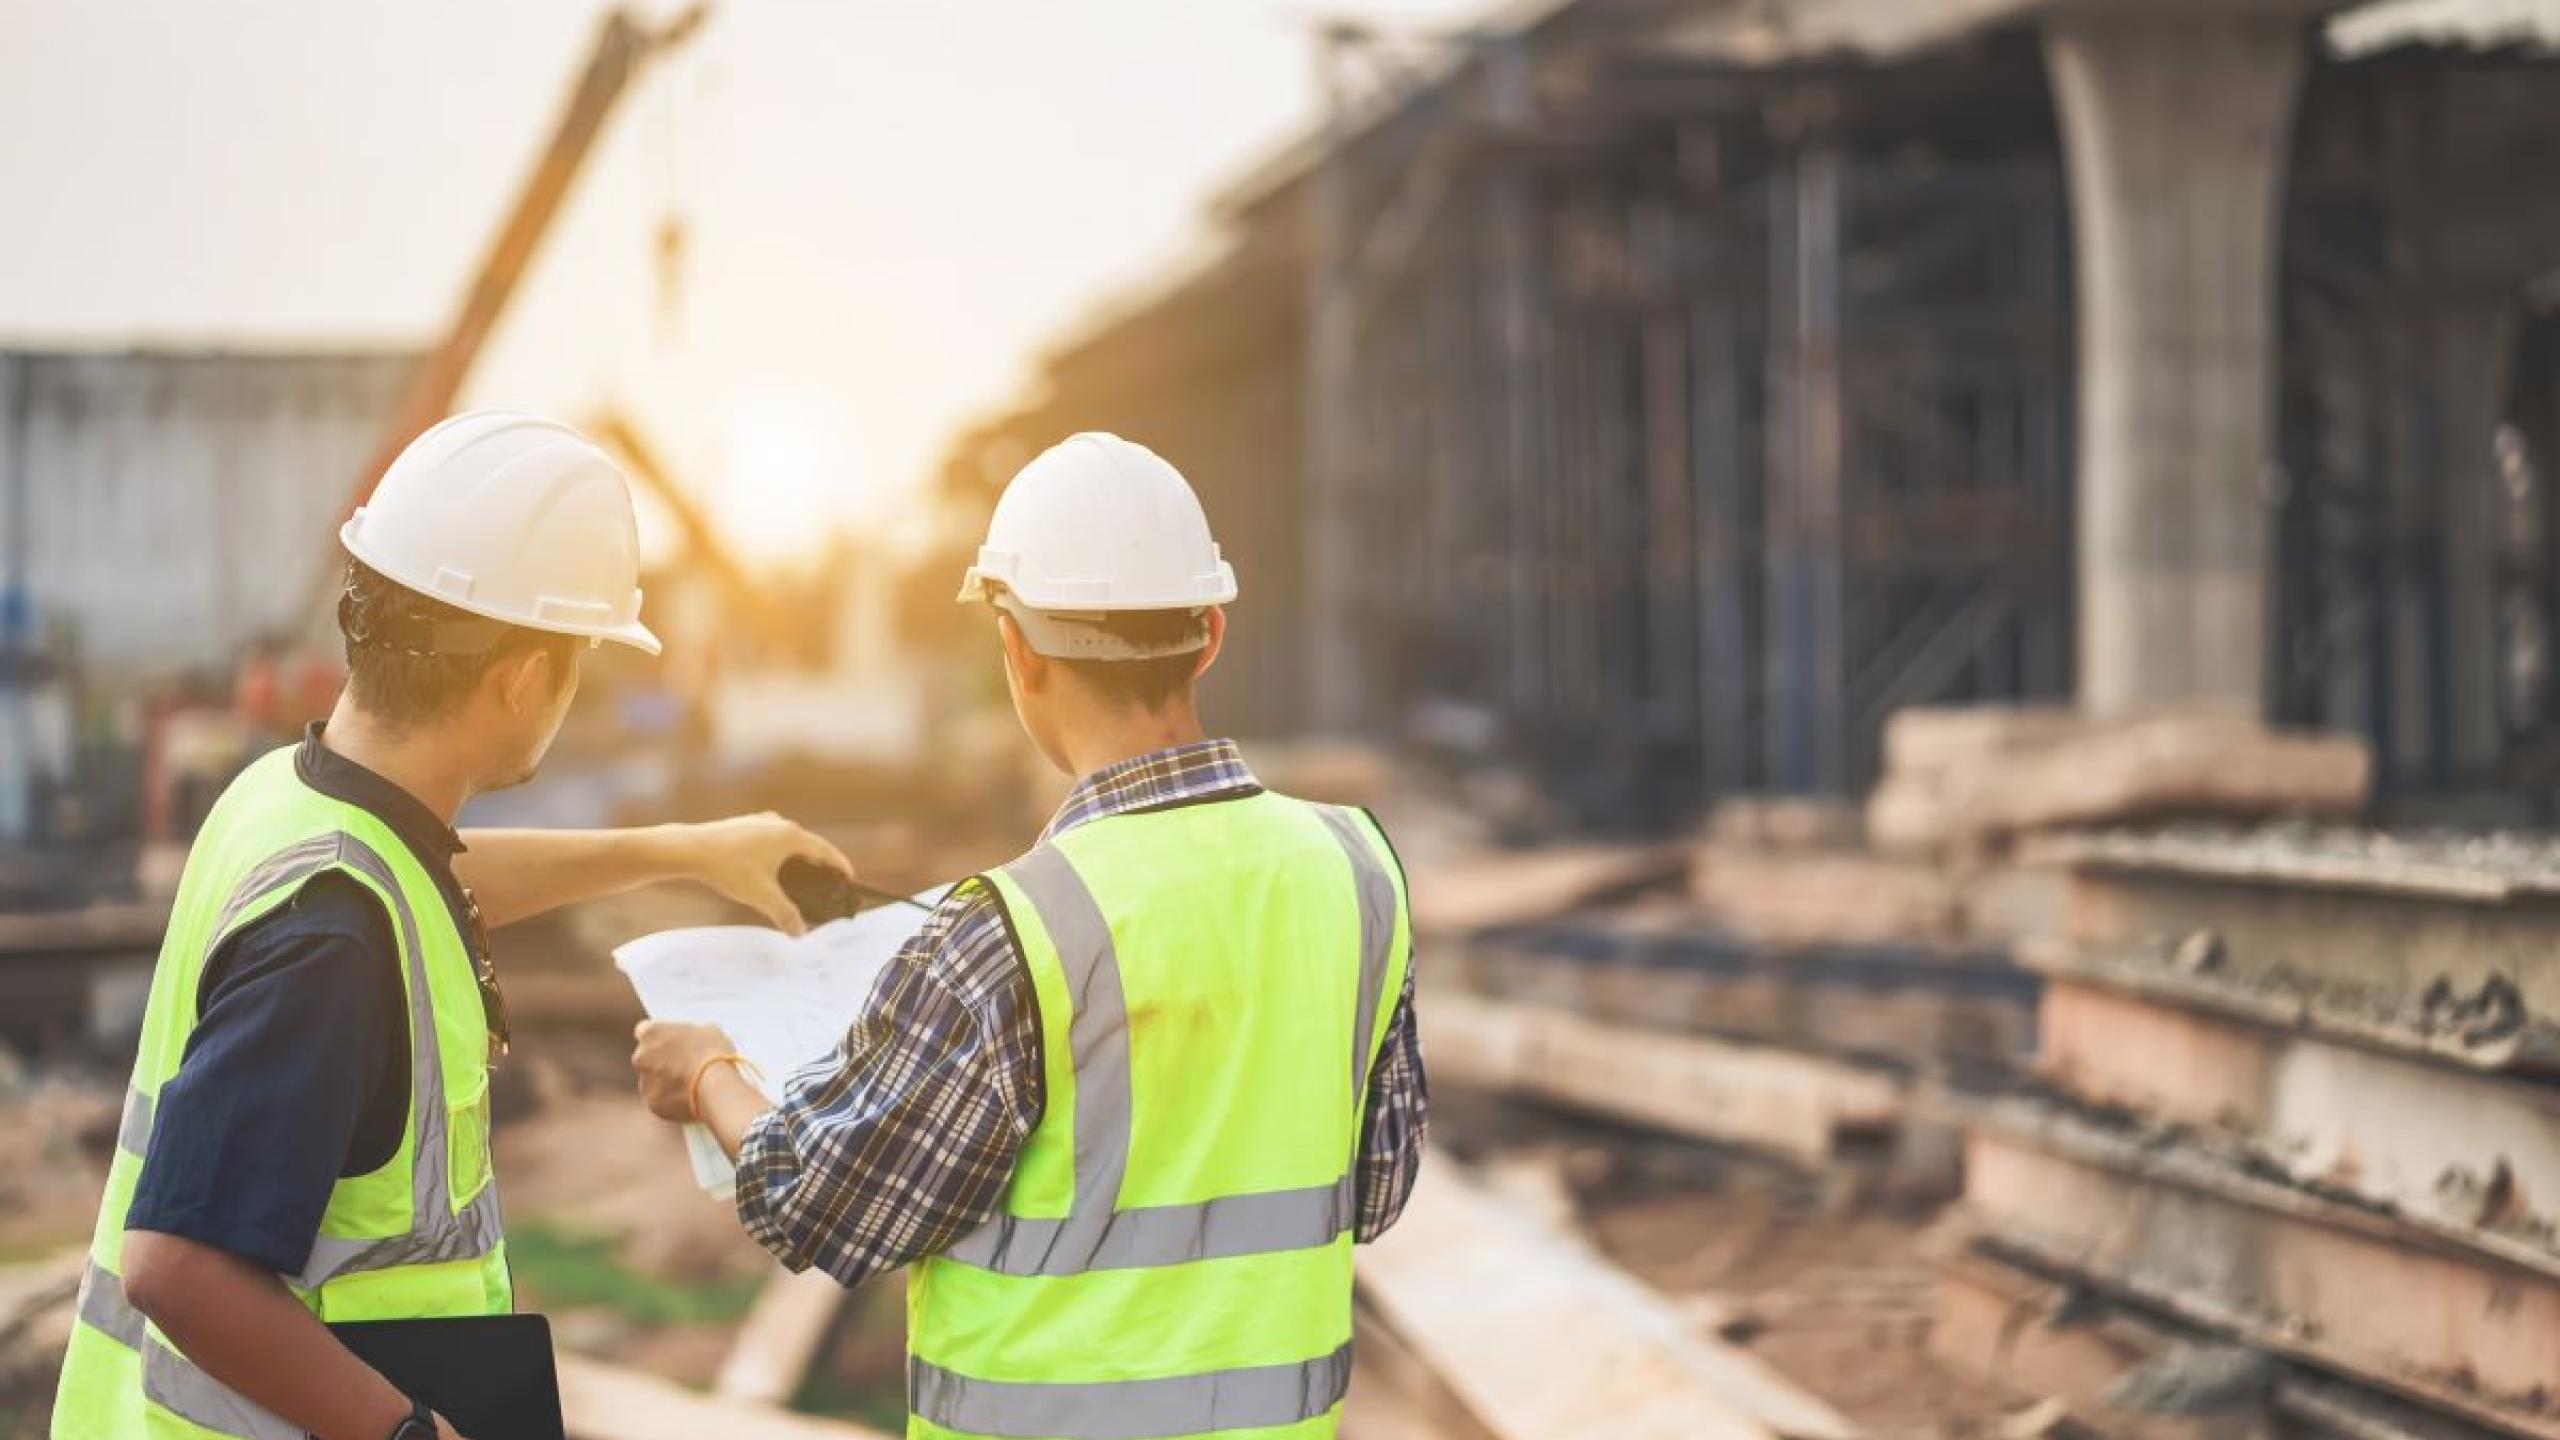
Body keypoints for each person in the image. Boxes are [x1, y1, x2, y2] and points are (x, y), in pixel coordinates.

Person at [52, 411, 856, 1440]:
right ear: (522, 679)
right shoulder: (331, 940)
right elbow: (175, 1264)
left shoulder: (290, 802)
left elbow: (431, 882)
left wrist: (686, 849)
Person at [631, 431, 1426, 1439]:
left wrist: (706, 1071)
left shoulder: (1011, 933)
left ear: (1016, 650)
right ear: (1210, 632)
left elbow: (820, 1201)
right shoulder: (1354, 870)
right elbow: (1380, 1185)